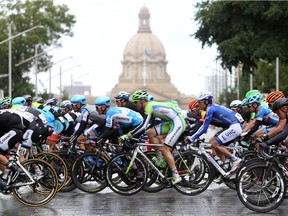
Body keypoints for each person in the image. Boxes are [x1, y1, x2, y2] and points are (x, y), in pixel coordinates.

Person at [119, 89, 186, 185]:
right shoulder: (150, 106)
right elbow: (148, 127)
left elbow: (143, 126)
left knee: (165, 149)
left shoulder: (149, 107)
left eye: (136, 102)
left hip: (178, 122)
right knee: (150, 132)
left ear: (142, 101)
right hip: (172, 122)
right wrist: (134, 134)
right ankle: (161, 160)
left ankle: (176, 176)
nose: (135, 105)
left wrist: (128, 135)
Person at [186, 91, 243, 172]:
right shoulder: (211, 107)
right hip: (231, 126)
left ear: (206, 102)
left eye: (199, 102)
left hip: (235, 127)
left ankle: (235, 159)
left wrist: (192, 138)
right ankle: (225, 167)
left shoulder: (210, 109)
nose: (198, 104)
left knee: (215, 144)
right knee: (212, 143)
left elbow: (204, 127)